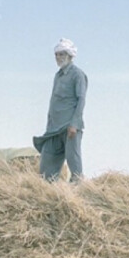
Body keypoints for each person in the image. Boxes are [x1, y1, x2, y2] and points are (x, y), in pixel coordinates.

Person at [33, 37, 87, 181]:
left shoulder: (77, 74)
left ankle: (77, 195)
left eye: (62, 54)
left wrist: (74, 124)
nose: (58, 57)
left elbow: (81, 100)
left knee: (73, 163)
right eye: (56, 54)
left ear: (69, 55)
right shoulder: (58, 76)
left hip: (69, 127)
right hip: (54, 129)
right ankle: (49, 194)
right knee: (47, 164)